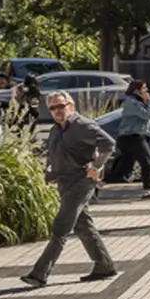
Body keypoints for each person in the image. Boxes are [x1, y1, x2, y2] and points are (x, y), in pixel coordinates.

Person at [23, 91, 117, 287]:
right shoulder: (56, 129)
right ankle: (104, 265)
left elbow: (108, 144)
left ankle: (39, 274)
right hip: (65, 182)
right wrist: (50, 174)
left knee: (61, 228)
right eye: (53, 108)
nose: (57, 110)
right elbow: (54, 153)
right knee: (83, 225)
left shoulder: (83, 125)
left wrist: (96, 167)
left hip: (81, 182)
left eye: (61, 106)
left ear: (71, 106)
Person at [107, 81, 150, 197]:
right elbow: (148, 115)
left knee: (125, 168)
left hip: (138, 137)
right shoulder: (131, 103)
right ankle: (147, 191)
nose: (146, 92)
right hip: (132, 137)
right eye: (144, 89)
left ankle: (98, 185)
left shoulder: (139, 102)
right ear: (137, 91)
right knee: (147, 163)